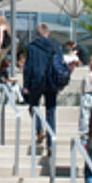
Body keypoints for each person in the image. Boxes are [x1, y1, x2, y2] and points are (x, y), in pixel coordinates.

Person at [22, 22, 62, 155]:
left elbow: (28, 68)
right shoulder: (56, 46)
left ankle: (39, 129)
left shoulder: (32, 47)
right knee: (51, 112)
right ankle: (51, 144)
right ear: (48, 33)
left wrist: (26, 85)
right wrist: (60, 83)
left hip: (36, 82)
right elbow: (60, 65)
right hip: (51, 82)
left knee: (33, 106)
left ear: (38, 34)